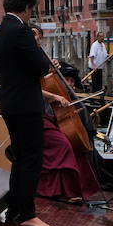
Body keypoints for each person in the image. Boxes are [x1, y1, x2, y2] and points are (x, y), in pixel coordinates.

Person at [0, 0, 55, 226]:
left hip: (10, 103)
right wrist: (37, 44)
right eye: (32, 10)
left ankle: (15, 210)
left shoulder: (1, 30)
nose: (32, 14)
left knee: (19, 159)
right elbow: (41, 67)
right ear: (27, 8)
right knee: (31, 158)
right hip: (26, 105)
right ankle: (27, 213)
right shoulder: (21, 31)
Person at [32, 23, 99, 202]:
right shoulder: (27, 59)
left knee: (80, 149)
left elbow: (46, 80)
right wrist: (55, 96)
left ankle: (80, 189)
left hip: (54, 115)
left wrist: (52, 70)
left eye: (39, 35)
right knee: (63, 146)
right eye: (34, 35)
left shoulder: (40, 58)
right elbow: (33, 87)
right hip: (37, 114)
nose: (37, 39)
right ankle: (64, 192)